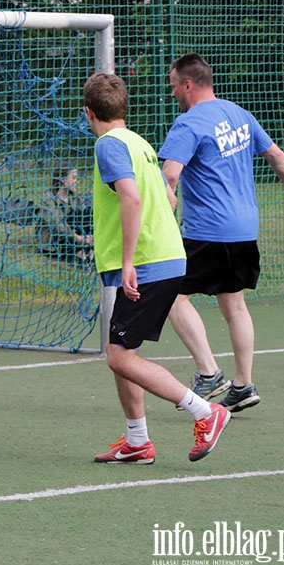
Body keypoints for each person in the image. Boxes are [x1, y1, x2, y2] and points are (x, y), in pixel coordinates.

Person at [84, 72, 230, 464]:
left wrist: (131, 260)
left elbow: (131, 200)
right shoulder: (140, 143)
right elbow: (169, 199)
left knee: (119, 356)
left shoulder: (108, 145)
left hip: (147, 263)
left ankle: (206, 411)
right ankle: (137, 442)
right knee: (122, 349)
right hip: (162, 256)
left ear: (88, 112)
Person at [158, 53, 284, 413]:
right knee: (233, 303)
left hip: (208, 229)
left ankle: (209, 373)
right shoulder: (239, 114)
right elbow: (275, 153)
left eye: (174, 83)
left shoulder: (188, 123)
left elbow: (170, 175)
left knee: (174, 297)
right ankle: (243, 384)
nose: (171, 90)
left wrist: (160, 212)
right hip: (244, 228)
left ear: (188, 84)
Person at [35, 165, 93, 265]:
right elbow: (58, 226)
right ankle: (80, 253)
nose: (77, 181)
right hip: (53, 242)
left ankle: (87, 250)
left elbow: (84, 218)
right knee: (71, 220)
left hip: (73, 235)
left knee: (88, 212)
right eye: (74, 178)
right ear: (63, 179)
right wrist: (78, 238)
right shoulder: (48, 200)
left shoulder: (74, 197)